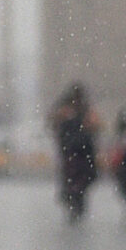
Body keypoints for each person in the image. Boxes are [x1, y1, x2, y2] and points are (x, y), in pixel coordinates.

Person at [50, 83, 99, 221]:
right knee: (74, 180)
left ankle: (75, 202)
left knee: (78, 181)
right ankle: (73, 202)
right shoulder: (67, 110)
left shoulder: (82, 110)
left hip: (80, 152)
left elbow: (94, 127)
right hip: (73, 151)